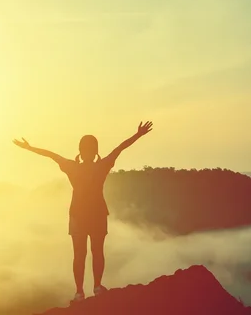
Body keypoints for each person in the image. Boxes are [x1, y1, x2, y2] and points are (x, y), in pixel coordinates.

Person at [13, 121, 153, 303]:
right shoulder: (101, 165)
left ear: (80, 149)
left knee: (79, 254)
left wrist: (29, 148)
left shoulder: (73, 167)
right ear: (95, 151)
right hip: (97, 214)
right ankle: (96, 287)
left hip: (78, 214)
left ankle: (79, 292)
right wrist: (138, 134)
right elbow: (120, 148)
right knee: (97, 251)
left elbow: (51, 155)